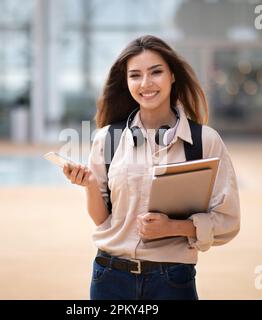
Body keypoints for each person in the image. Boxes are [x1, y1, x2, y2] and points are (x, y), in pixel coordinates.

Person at [62, 35, 240, 300]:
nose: (145, 84)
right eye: (135, 75)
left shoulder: (205, 141)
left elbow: (228, 221)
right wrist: (89, 185)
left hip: (172, 282)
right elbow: (103, 220)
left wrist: (174, 228)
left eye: (155, 72)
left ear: (172, 76)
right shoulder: (107, 138)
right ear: (126, 82)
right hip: (109, 278)